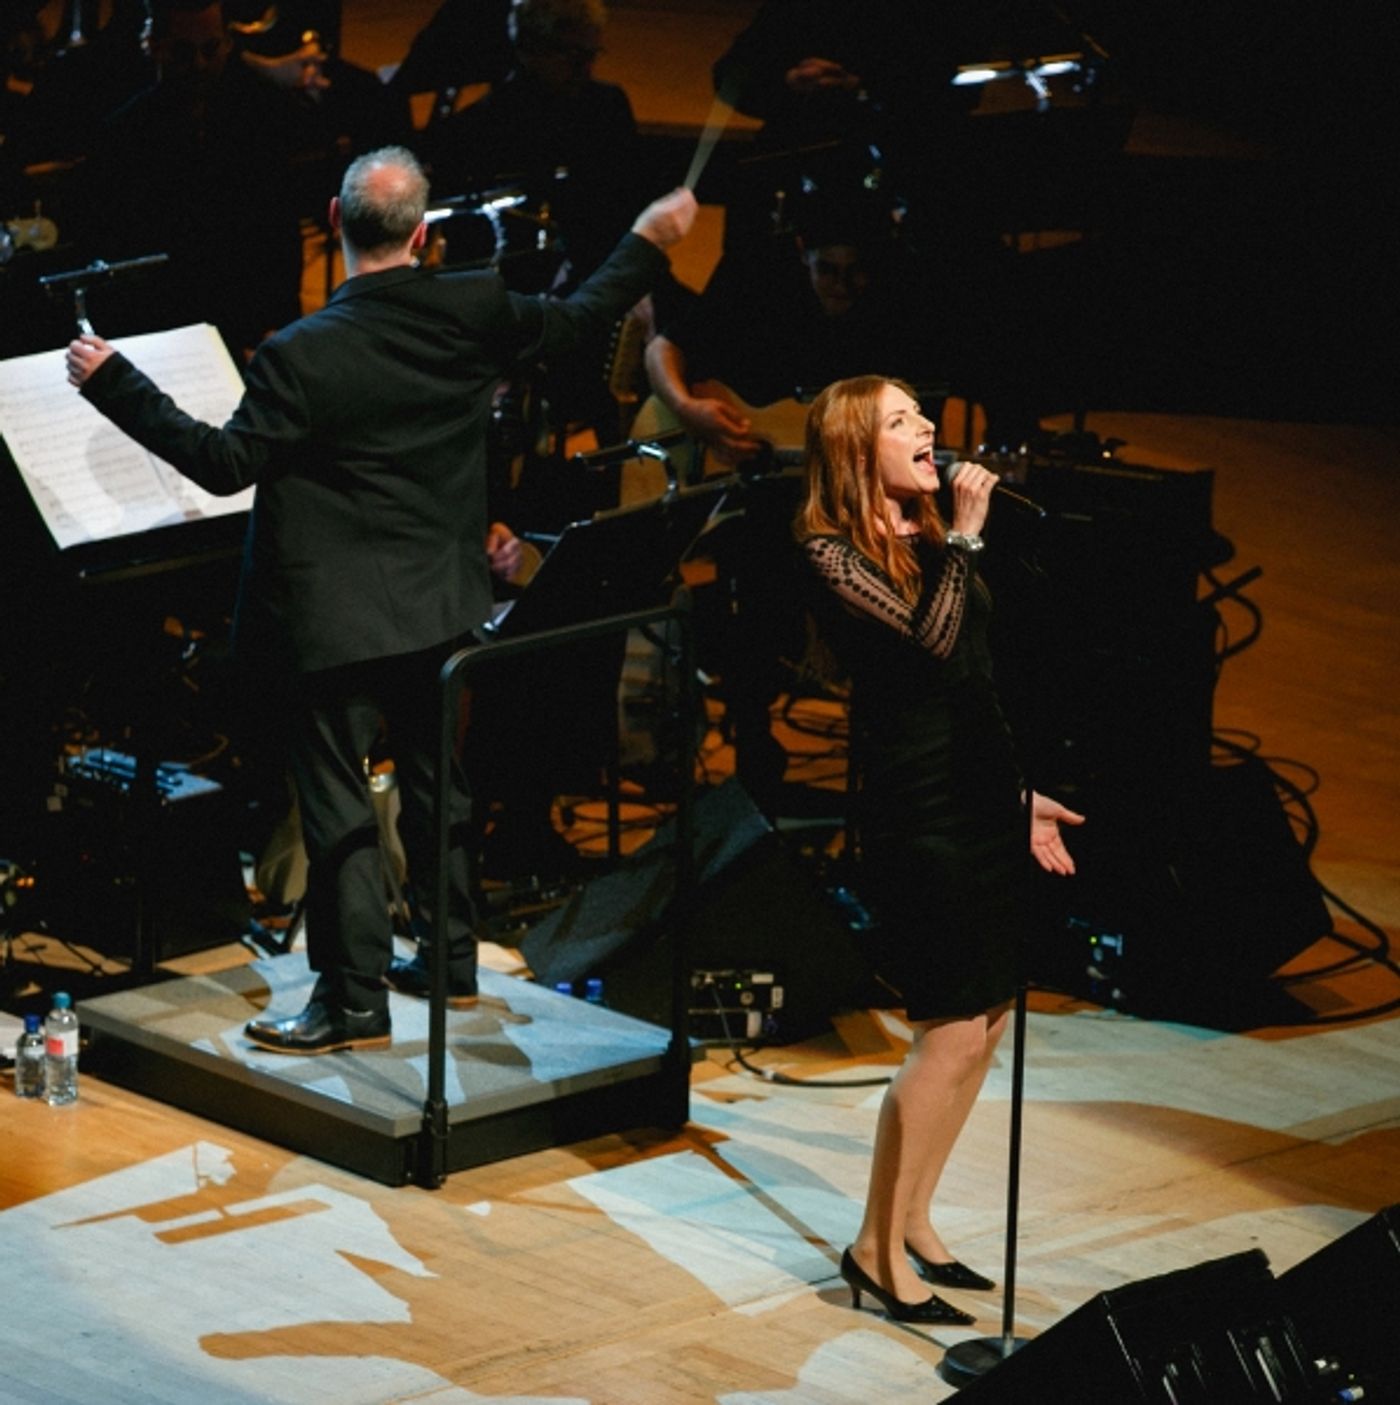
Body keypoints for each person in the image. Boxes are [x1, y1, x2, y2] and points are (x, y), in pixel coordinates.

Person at [65, 145, 697, 1054]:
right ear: (424, 232)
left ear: (335, 220)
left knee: (341, 814)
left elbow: (224, 463)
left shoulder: (301, 352)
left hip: (333, 627)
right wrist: (645, 237)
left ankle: (353, 1002)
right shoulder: (475, 309)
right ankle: (448, 960)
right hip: (441, 604)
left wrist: (114, 383)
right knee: (440, 793)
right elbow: (584, 316)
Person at [793, 374, 1083, 1321]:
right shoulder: (830, 553)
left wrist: (1019, 798)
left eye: (921, 412)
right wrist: (962, 536)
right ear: (855, 449)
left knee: (986, 1024)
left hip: (979, 803)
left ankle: (913, 1219)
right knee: (948, 1031)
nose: (926, 428)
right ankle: (874, 1251)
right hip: (920, 818)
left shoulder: (929, 538)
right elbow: (933, 642)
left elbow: (975, 681)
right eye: (901, 420)